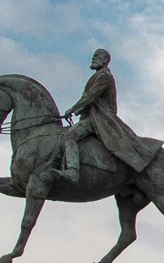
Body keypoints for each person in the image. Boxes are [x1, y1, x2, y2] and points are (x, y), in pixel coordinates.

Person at [47, 49, 158, 183]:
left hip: (99, 119)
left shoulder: (104, 76)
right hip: (91, 117)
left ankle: (72, 170)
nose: (93, 58)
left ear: (105, 60)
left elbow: (90, 96)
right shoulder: (98, 76)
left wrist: (73, 109)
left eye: (97, 56)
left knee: (69, 136)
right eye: (93, 56)